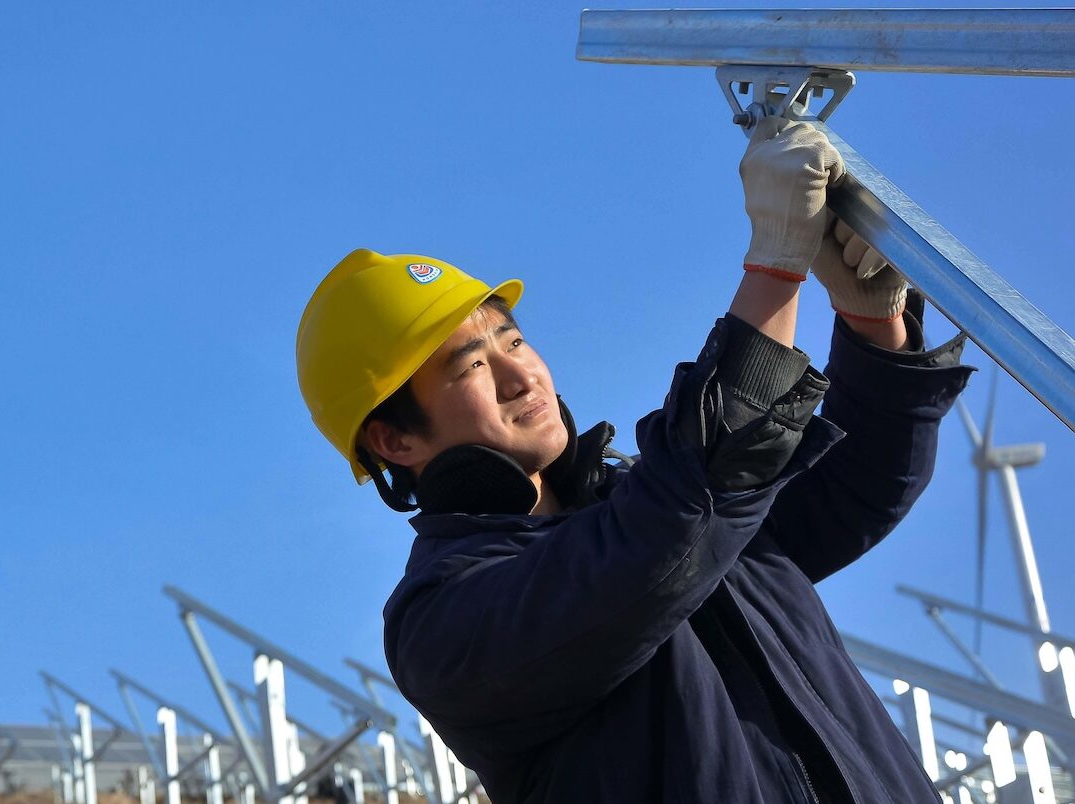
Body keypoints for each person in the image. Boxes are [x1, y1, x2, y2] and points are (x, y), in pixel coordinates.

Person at [294, 118, 974, 802]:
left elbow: (850, 491)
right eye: (470, 364)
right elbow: (654, 550)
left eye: (512, 340)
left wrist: (873, 325)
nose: (521, 374)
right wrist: (775, 266)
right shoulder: (444, 626)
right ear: (394, 441)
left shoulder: (658, 505)